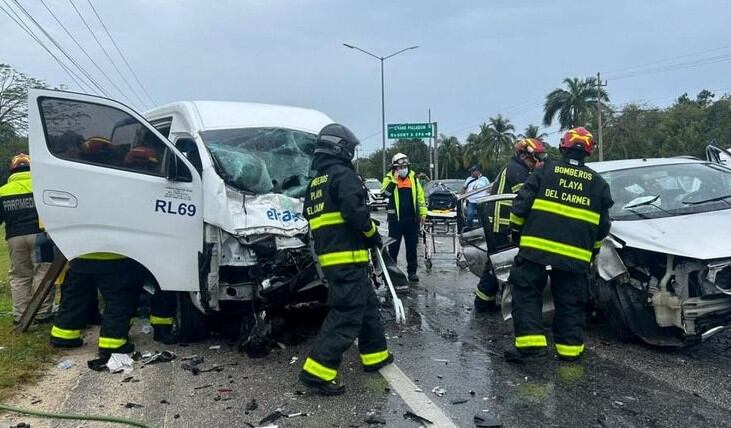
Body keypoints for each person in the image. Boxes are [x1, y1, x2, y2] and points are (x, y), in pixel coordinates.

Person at [505, 127, 613, 362]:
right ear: (588, 151)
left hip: (536, 248)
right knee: (571, 301)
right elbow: (603, 226)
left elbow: (520, 206)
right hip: (574, 257)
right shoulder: (598, 184)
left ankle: (530, 345)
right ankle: (570, 350)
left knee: (526, 292)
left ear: (563, 147)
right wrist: (592, 252)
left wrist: (515, 232)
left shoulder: (545, 171)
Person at [299, 123, 392, 395]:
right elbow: (356, 214)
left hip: (331, 259)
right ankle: (317, 371)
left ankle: (375, 355)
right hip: (348, 258)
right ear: (340, 147)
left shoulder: (316, 183)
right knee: (347, 313)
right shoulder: (344, 176)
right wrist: (373, 234)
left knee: (366, 306)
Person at [474, 139, 546, 313]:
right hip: (502, 223)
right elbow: (524, 198)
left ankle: (484, 299)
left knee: (496, 261)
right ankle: (484, 301)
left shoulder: (518, 168)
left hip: (500, 221)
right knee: (500, 262)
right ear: (523, 155)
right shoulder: (517, 170)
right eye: (534, 158)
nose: (537, 162)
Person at [50, 254, 145, 359]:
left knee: (75, 297)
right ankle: (112, 344)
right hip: (114, 259)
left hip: (80, 257)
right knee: (118, 301)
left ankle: (63, 337)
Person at [0, 154, 53, 324]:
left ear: (12, 170)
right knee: (43, 272)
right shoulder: (40, 185)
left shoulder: (3, 191)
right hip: (40, 236)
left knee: (19, 276)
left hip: (14, 237)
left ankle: (21, 315)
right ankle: (42, 313)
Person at [381, 153, 427, 283]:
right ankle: (391, 272)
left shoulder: (413, 179)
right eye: (400, 167)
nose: (403, 169)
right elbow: (386, 193)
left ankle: (412, 272)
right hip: (395, 220)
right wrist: (394, 180)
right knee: (393, 248)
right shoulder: (388, 178)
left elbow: (420, 197)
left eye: (405, 166)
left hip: (411, 219)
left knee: (412, 247)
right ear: (395, 168)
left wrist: (423, 213)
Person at [461, 165, 490, 230]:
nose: (471, 173)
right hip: (471, 201)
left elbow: (489, 188)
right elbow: (464, 188)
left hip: (481, 201)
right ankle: (469, 229)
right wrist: (461, 197)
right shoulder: (469, 179)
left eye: (472, 171)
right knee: (469, 215)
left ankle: (481, 230)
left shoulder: (484, 179)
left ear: (477, 171)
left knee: (482, 217)